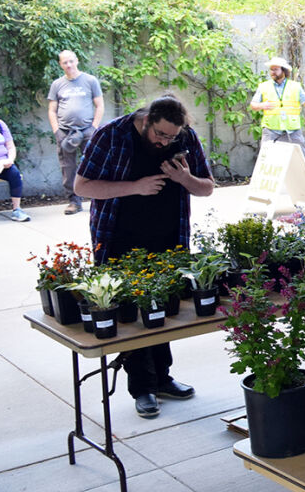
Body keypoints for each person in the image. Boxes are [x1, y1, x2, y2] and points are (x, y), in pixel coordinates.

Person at [74, 96, 215, 419]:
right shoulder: (111, 135)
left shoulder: (185, 136)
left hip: (169, 237)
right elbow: (81, 186)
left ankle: (163, 378)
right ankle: (142, 388)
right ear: (147, 119)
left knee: (161, 311)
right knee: (130, 315)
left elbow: (206, 187)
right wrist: (135, 187)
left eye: (171, 137)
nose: (165, 142)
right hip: (118, 238)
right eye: (160, 135)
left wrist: (184, 179)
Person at [249, 56, 305, 187]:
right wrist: (262, 105)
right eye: (271, 69)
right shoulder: (264, 86)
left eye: (275, 69)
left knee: (302, 155)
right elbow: (253, 105)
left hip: (292, 128)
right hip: (271, 127)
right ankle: (261, 186)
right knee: (266, 157)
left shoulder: (295, 86)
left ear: (283, 71)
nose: (272, 72)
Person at [47, 50, 104, 215]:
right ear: (60, 64)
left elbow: (99, 105)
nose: (69, 65)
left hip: (87, 131)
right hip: (65, 132)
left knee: (93, 165)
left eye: (71, 61)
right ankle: (73, 201)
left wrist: (93, 128)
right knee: (68, 167)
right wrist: (57, 131)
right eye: (65, 62)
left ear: (77, 61)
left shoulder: (90, 80)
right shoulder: (57, 84)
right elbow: (52, 110)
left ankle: (97, 199)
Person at [0, 96, 32, 226]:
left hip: (1, 164)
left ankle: (17, 210)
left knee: (14, 173)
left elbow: (10, 146)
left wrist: (9, 160)